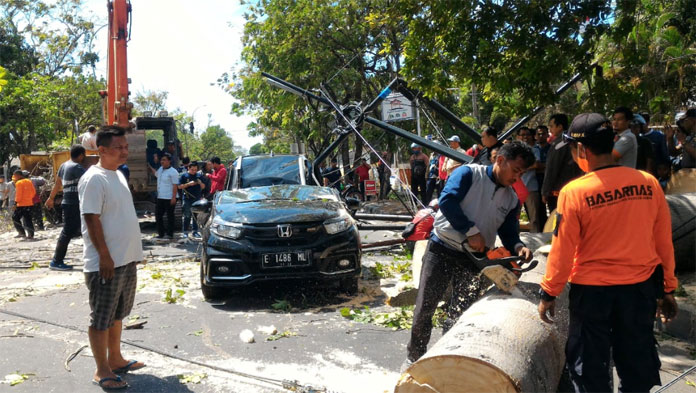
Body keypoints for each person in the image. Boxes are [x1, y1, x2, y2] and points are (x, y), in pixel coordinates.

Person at [538, 113, 678, 393]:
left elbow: (563, 249)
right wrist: (668, 288)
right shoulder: (648, 183)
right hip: (639, 292)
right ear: (611, 141)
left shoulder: (574, 192)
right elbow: (663, 241)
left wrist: (549, 292)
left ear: (581, 150)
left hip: (592, 295)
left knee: (590, 371)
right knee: (637, 368)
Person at [405, 141, 535, 368]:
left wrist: (517, 247)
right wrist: (471, 231)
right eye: (516, 170)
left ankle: (448, 359)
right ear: (501, 160)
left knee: (461, 311)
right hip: (443, 248)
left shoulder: (512, 199)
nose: (517, 177)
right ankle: (413, 359)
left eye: (522, 173)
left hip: (474, 258)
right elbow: (447, 200)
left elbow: (508, 231)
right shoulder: (468, 174)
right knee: (426, 306)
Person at [79, 126, 145, 391]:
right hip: (105, 263)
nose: (124, 152)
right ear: (101, 150)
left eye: (126, 147)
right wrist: (104, 256)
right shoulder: (94, 179)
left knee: (118, 314)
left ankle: (116, 359)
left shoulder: (116, 174)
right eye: (119, 148)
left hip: (125, 260)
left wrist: (132, 255)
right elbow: (91, 218)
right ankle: (102, 370)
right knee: (101, 318)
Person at [46, 145, 86, 271]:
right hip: (74, 203)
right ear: (81, 155)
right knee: (68, 231)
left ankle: (92, 258)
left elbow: (58, 183)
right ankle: (56, 261)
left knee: (77, 230)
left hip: (68, 202)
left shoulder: (64, 165)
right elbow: (90, 180)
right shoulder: (77, 167)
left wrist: (51, 198)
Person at [542, 114, 582, 213]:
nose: (550, 129)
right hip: (575, 188)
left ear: (560, 126)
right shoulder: (576, 140)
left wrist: (545, 191)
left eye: (551, 126)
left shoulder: (559, 144)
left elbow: (552, 168)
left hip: (558, 191)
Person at [518, 128, 545, 232]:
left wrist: (520, 168)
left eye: (527, 134)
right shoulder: (514, 151)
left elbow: (536, 164)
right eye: (522, 134)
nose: (525, 137)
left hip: (531, 187)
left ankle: (535, 239)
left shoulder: (534, 149)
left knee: (534, 218)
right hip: (516, 188)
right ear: (518, 137)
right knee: (514, 217)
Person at [149, 153, 179, 239]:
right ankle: (161, 234)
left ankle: (170, 234)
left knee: (170, 216)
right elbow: (156, 174)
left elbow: (175, 185)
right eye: (161, 160)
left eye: (164, 160)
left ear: (169, 161)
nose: (162, 162)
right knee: (158, 215)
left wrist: (173, 197)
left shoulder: (173, 172)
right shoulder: (161, 169)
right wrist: (149, 167)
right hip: (161, 197)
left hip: (170, 197)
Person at [178, 161, 205, 239]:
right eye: (192, 169)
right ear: (188, 168)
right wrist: (188, 184)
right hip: (187, 198)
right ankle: (185, 232)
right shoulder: (184, 176)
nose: (194, 171)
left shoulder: (199, 176)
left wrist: (200, 183)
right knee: (187, 215)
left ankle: (195, 231)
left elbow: (203, 187)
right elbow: (179, 187)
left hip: (197, 198)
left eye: (195, 169)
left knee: (196, 216)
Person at [11, 170, 36, 240]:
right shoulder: (29, 181)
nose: (14, 177)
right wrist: (28, 198)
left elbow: (18, 195)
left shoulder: (19, 183)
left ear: (18, 175)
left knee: (15, 217)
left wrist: (15, 203)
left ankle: (21, 233)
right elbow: (34, 192)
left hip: (21, 204)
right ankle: (31, 234)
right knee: (28, 219)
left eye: (14, 175)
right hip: (29, 203)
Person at [534, 125, 551, 190]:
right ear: (535, 136)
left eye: (543, 134)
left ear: (547, 135)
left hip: (548, 179)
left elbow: (552, 165)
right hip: (534, 181)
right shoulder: (532, 149)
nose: (541, 136)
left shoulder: (552, 148)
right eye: (539, 134)